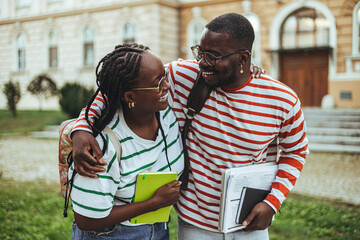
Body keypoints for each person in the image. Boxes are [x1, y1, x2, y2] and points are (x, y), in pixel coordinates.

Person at [71, 13, 308, 240]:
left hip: (250, 222)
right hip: (195, 225)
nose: (202, 62)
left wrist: (272, 202)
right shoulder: (182, 76)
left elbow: (296, 152)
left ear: (243, 58)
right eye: (200, 52)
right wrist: (81, 128)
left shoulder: (282, 100)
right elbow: (117, 89)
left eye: (213, 56)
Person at [69, 43, 184, 240]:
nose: (167, 85)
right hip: (113, 234)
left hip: (159, 229)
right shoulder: (102, 145)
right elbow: (85, 220)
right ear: (130, 96)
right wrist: (154, 203)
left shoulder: (167, 110)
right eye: (158, 82)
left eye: (165, 76)